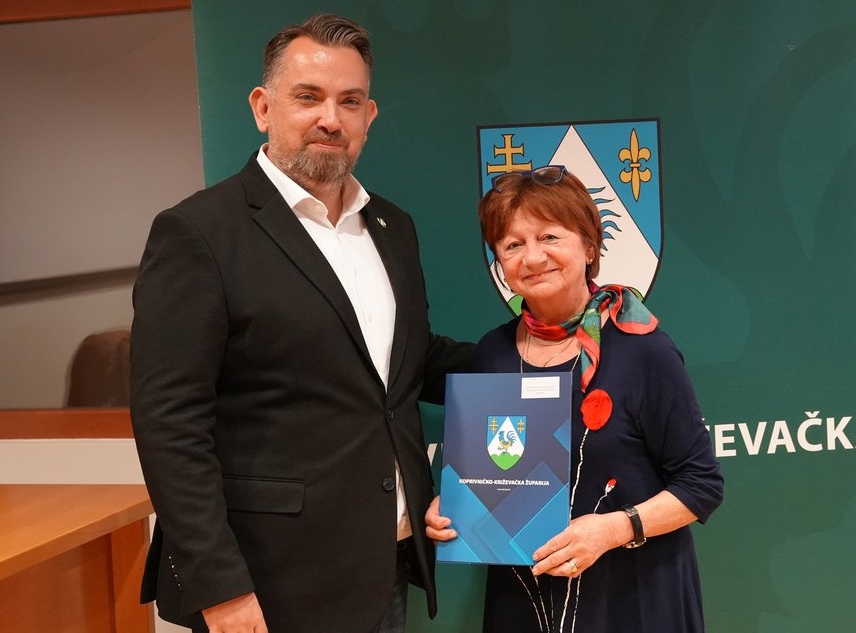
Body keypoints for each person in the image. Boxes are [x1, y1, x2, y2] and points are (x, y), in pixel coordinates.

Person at [130, 14, 471, 633]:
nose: (330, 119)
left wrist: (540, 351)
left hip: (385, 566)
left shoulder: (392, 226)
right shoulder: (198, 233)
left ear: (370, 116)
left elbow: (403, 365)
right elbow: (169, 423)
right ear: (263, 107)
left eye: (350, 101)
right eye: (308, 97)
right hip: (267, 587)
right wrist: (222, 588)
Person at [425, 165, 724, 632]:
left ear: (588, 246)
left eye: (549, 237)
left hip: (631, 601)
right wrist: (456, 508)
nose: (532, 257)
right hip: (524, 603)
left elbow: (701, 484)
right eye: (512, 245)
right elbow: (495, 471)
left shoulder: (643, 350)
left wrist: (613, 528)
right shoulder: (492, 353)